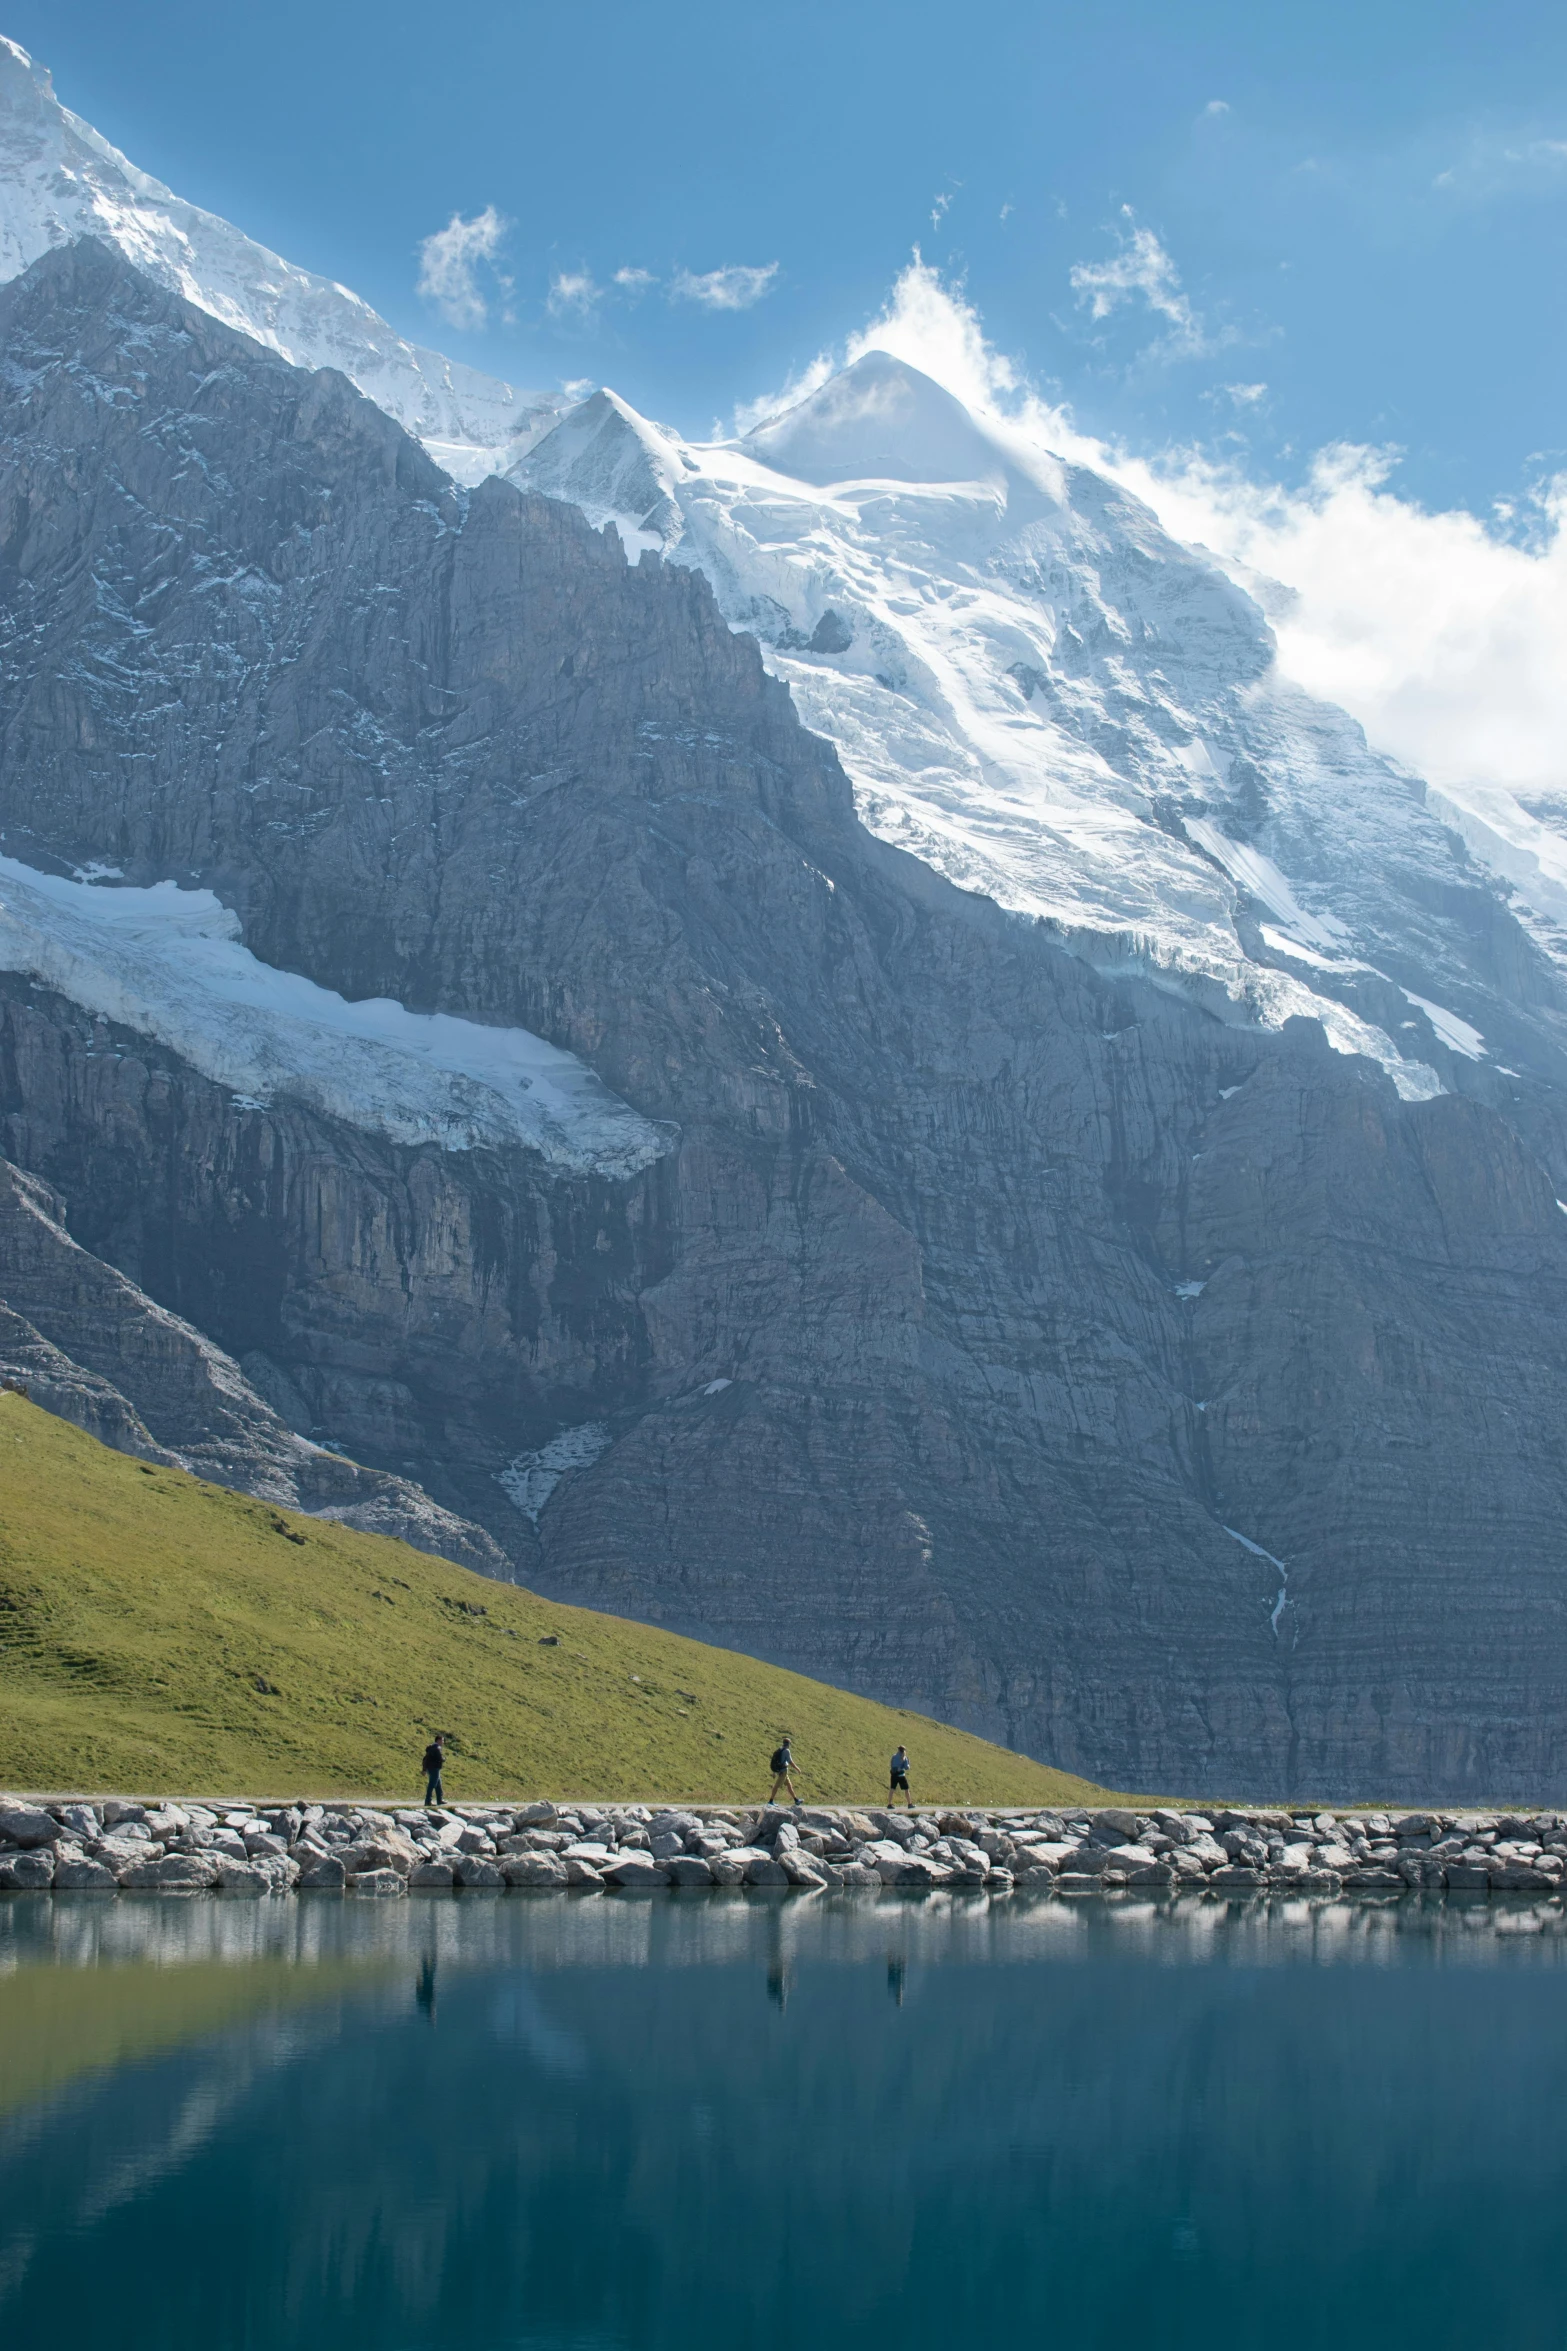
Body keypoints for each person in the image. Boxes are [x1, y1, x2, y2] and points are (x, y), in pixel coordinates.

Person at [768, 1733, 800, 1806]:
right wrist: (797, 1768)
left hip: (781, 1771)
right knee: (776, 1786)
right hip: (783, 1772)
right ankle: (771, 1801)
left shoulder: (780, 1749)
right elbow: (790, 1761)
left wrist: (774, 1771)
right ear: (788, 1744)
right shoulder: (786, 1751)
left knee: (789, 1785)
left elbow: (775, 1761)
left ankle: (796, 1800)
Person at [422, 1731, 446, 1806]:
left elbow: (425, 1759)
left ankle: (440, 1799)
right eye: (442, 1740)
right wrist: (444, 1758)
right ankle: (428, 1801)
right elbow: (440, 1758)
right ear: (438, 1740)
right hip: (434, 1768)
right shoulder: (437, 1748)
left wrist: (424, 1769)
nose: (443, 1742)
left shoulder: (431, 1748)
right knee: (432, 1784)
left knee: (438, 1784)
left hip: (430, 1768)